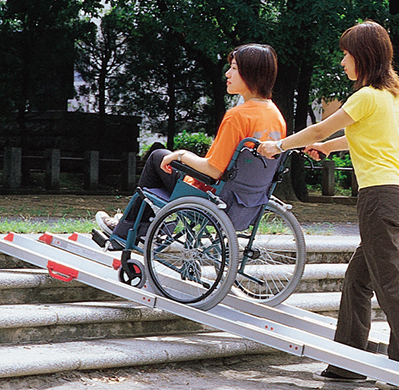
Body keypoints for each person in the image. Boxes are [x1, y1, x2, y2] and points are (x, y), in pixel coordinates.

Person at [258, 20, 399, 390]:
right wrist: (325, 149)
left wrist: (278, 145)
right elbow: (360, 138)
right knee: (358, 279)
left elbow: (322, 128)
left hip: (380, 198)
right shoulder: (396, 96)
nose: (342, 61)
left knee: (389, 284)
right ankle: (346, 363)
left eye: (347, 54)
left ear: (363, 56)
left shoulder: (365, 96)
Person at [95, 43, 286, 241]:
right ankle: (150, 227)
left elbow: (214, 170)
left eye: (234, 68)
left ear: (251, 73)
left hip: (212, 197)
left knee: (157, 157)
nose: (227, 74)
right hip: (247, 203)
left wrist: (181, 155)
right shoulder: (276, 116)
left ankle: (127, 231)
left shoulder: (238, 116)